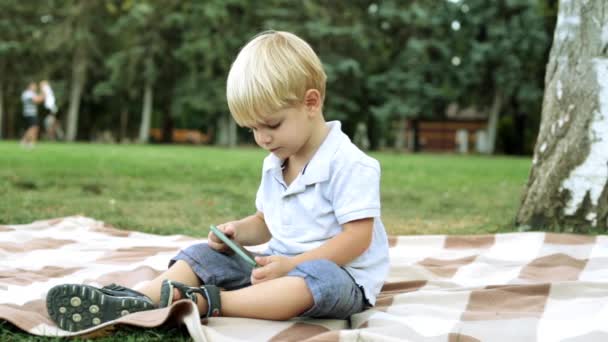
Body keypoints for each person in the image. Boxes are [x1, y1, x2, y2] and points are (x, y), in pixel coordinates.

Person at [45, 30, 390, 332]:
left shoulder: (349, 164)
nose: (263, 138)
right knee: (201, 256)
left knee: (317, 282)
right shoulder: (277, 163)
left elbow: (357, 239)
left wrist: (294, 265)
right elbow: (267, 222)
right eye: (253, 129)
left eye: (271, 125)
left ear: (311, 103)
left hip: (340, 277)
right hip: (277, 265)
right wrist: (239, 232)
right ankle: (137, 299)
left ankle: (212, 302)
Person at [20, 82, 45, 148]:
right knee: (33, 128)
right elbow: (37, 100)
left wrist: (43, 94)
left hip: (32, 113)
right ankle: (25, 141)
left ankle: (30, 142)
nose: (35, 87)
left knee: (34, 128)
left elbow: (40, 99)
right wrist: (43, 92)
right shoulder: (27, 93)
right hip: (29, 113)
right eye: (33, 86)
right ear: (29, 86)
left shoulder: (32, 93)